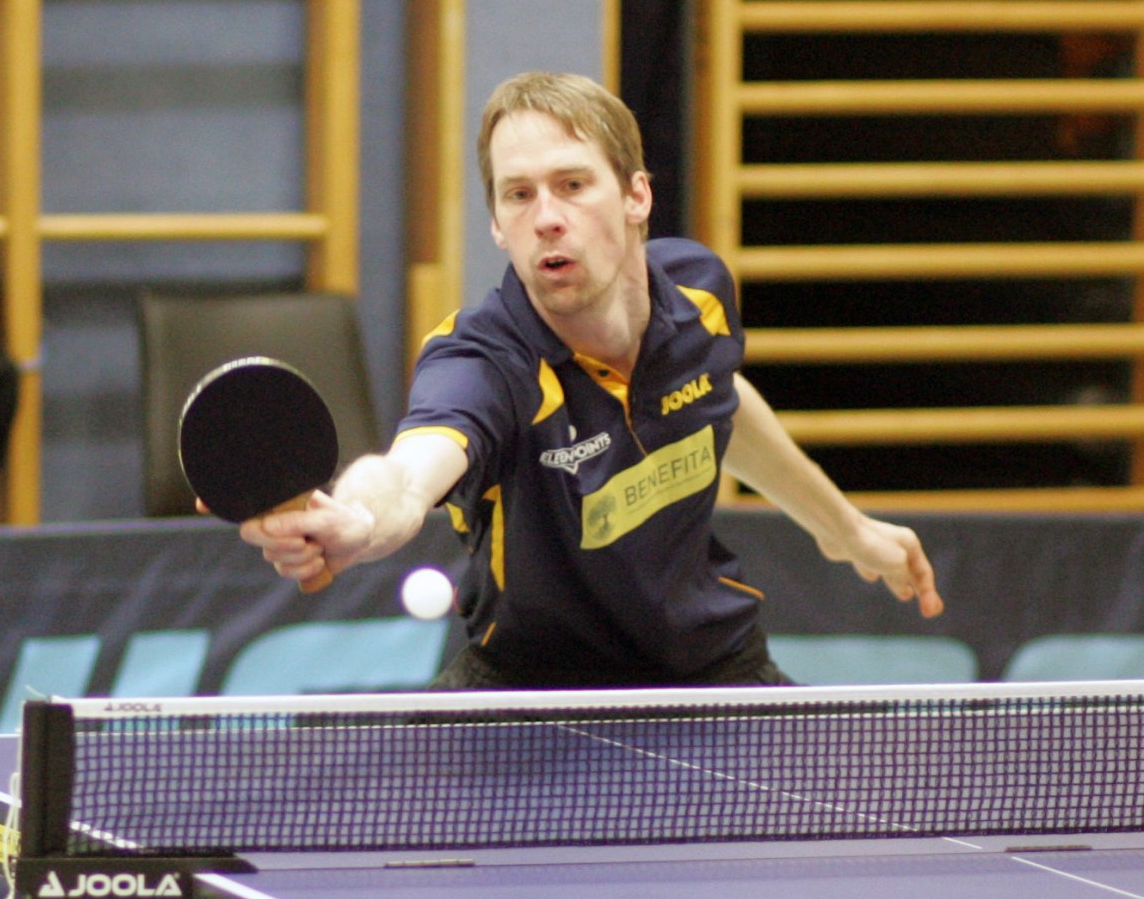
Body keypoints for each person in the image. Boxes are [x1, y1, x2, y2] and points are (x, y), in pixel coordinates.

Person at [239, 71, 944, 688]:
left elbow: (718, 400)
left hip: (710, 666)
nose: (547, 218)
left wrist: (843, 528)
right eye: (519, 195)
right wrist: (360, 522)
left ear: (636, 196)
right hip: (533, 695)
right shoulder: (483, 362)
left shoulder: (699, 292)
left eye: (572, 186)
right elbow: (409, 472)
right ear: (497, 225)